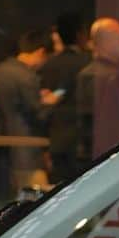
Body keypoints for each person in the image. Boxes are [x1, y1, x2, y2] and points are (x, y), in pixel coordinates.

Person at [63, 16, 119, 181]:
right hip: (105, 161)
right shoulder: (101, 77)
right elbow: (105, 124)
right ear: (108, 42)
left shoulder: (107, 74)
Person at [0, 30, 57, 192]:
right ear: (41, 52)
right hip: (28, 150)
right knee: (35, 201)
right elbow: (38, 115)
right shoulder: (27, 76)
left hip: (2, 149)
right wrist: (51, 103)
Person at [38, 12, 89, 185]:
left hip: (56, 138)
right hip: (82, 140)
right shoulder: (87, 63)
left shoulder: (49, 65)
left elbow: (44, 102)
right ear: (80, 34)